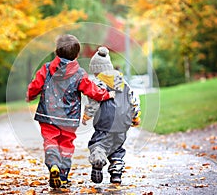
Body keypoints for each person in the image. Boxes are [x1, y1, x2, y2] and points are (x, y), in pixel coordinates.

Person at [26, 35, 115, 189]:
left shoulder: (46, 69)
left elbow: (35, 85)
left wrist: (30, 95)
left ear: (56, 52)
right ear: (77, 55)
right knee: (66, 145)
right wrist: (106, 94)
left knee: (51, 142)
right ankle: (63, 176)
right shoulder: (79, 73)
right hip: (69, 119)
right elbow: (92, 90)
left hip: (47, 116)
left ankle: (53, 165)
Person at [82, 47, 141, 184]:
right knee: (117, 148)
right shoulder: (123, 82)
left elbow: (94, 102)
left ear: (96, 69)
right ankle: (116, 172)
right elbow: (133, 100)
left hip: (105, 122)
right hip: (123, 124)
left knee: (98, 144)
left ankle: (98, 159)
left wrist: (87, 115)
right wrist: (135, 117)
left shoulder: (97, 83)